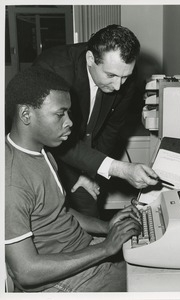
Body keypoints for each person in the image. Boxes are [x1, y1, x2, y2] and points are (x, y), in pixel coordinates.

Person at [5, 66, 142, 292]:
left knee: (153, 261)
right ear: (26, 115)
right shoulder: (11, 181)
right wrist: (106, 248)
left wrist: (106, 226)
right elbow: (26, 272)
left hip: (82, 249)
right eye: (60, 114)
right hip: (57, 280)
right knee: (154, 282)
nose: (69, 122)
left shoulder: (43, 152)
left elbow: (60, 212)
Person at [33, 24, 159, 217]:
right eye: (111, 75)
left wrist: (89, 173)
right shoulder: (53, 69)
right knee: (50, 222)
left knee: (89, 215)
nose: (118, 86)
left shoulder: (124, 77)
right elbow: (51, 135)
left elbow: (111, 128)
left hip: (83, 155)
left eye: (125, 77)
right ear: (91, 58)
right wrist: (121, 169)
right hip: (42, 155)